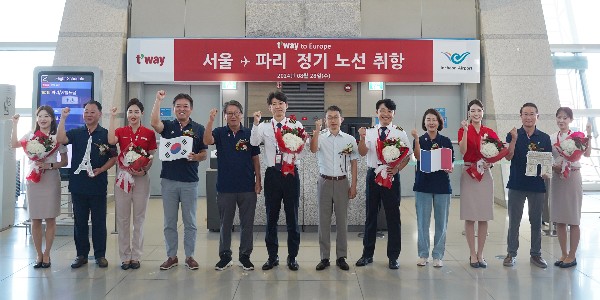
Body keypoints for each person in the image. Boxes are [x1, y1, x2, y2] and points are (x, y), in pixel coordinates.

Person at [150, 90, 208, 271]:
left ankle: (190, 256)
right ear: (174, 109)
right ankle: (171, 256)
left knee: (190, 221)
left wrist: (196, 157)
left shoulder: (198, 129)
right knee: (169, 221)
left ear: (191, 109)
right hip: (168, 181)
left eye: (185, 107)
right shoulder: (167, 126)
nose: (182, 109)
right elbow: (154, 123)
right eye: (178, 106)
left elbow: (204, 153)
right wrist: (158, 100)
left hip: (190, 181)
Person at [56, 101, 117, 269]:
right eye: (86, 112)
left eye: (92, 112)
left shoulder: (105, 135)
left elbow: (113, 157)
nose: (88, 114)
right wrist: (63, 118)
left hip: (98, 185)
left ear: (99, 114)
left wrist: (102, 169)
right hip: (78, 185)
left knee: (99, 222)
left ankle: (100, 255)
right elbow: (60, 139)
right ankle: (81, 254)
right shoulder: (76, 133)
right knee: (80, 222)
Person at [203, 100, 262, 271]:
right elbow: (207, 140)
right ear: (225, 116)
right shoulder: (220, 132)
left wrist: (258, 180)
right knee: (225, 224)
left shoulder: (250, 133)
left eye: (236, 113)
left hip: (247, 187)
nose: (233, 116)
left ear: (242, 115)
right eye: (229, 113)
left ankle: (245, 256)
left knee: (247, 224)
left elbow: (255, 158)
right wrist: (210, 120)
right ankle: (225, 256)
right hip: (225, 187)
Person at [250, 91, 303, 271]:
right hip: (272, 175)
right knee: (271, 217)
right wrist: (255, 123)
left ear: (286, 106)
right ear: (269, 107)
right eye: (274, 104)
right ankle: (272, 257)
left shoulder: (296, 125)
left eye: (281, 103)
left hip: (290, 174)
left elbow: (302, 147)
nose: (278, 107)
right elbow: (254, 142)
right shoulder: (264, 126)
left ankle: (292, 257)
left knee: (292, 217)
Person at [355, 99, 411, 270]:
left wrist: (397, 169)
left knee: (393, 217)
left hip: (391, 176)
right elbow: (363, 152)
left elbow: (407, 155)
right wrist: (362, 138)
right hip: (373, 174)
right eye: (382, 110)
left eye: (389, 111)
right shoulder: (370, 131)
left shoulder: (400, 133)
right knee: (370, 215)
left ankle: (393, 256)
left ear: (393, 114)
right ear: (377, 112)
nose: (385, 114)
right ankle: (367, 254)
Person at [10, 107, 68, 268]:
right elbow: (14, 144)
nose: (43, 119)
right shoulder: (30, 136)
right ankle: (38, 254)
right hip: (34, 180)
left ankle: (47, 254)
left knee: (50, 218)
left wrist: (48, 165)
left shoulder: (57, 137)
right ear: (36, 119)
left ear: (51, 119)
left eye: (46, 116)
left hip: (50, 179)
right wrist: (15, 124)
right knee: (35, 218)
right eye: (40, 116)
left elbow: (64, 161)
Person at [108, 98, 157, 270]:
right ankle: (125, 256)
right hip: (123, 178)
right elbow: (111, 140)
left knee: (139, 218)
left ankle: (136, 256)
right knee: (122, 218)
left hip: (141, 178)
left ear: (142, 114)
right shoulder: (121, 131)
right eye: (130, 112)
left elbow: (151, 156)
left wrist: (144, 170)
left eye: (136, 112)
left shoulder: (149, 133)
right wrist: (112, 117)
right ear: (127, 114)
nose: (133, 115)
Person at [503, 102, 553, 268]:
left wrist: (546, 171)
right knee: (514, 221)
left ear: (537, 116)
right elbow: (508, 157)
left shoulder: (545, 138)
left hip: (537, 185)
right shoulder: (512, 134)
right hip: (517, 183)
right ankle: (511, 253)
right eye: (525, 114)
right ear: (521, 116)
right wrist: (514, 140)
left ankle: (536, 254)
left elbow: (547, 161)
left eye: (532, 114)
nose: (529, 117)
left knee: (536, 221)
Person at [310, 105, 358, 271]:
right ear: (325, 120)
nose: (332, 120)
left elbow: (353, 163)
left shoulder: (349, 139)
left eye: (335, 117)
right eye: (329, 117)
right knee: (323, 221)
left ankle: (341, 256)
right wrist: (316, 131)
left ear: (341, 119)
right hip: (324, 182)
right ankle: (324, 257)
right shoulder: (321, 137)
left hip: (342, 182)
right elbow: (313, 149)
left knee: (342, 221)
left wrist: (353, 185)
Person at [549, 107, 592, 268]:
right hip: (558, 178)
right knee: (559, 219)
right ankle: (564, 253)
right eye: (559, 117)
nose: (561, 120)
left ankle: (572, 255)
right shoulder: (552, 137)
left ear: (570, 120)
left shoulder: (577, 137)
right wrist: (553, 167)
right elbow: (549, 157)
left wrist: (588, 135)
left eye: (565, 118)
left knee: (573, 218)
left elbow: (587, 154)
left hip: (573, 176)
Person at [458, 99, 498, 268]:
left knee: (483, 216)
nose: (476, 113)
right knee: (470, 216)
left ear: (483, 112)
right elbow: (463, 151)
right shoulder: (462, 130)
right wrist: (466, 131)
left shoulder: (489, 131)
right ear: (469, 113)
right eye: (473, 110)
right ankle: (472, 254)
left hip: (485, 175)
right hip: (469, 174)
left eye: (479, 110)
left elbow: (497, 150)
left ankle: (481, 254)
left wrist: (492, 162)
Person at [412, 108, 454, 268]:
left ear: (439, 122)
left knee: (441, 223)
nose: (431, 122)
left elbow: (451, 163)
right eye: (428, 119)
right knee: (422, 222)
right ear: (424, 122)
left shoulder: (446, 141)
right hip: (423, 185)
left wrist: (449, 167)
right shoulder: (420, 139)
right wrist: (416, 139)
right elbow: (417, 156)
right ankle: (423, 254)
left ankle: (438, 255)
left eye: (434, 120)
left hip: (442, 186)